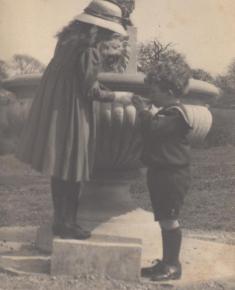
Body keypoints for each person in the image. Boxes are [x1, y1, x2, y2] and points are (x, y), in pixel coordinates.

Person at [17, 0, 133, 240]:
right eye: (109, 32)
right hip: (73, 112)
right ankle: (68, 224)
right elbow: (90, 91)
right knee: (72, 169)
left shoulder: (66, 43)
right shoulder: (90, 52)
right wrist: (118, 95)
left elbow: (74, 79)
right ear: (98, 29)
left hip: (56, 110)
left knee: (60, 170)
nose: (110, 36)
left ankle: (61, 221)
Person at [132, 60, 192, 281]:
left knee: (169, 219)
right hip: (162, 172)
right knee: (164, 217)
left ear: (168, 91)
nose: (151, 94)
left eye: (154, 91)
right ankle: (166, 262)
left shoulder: (176, 113)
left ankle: (173, 265)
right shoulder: (167, 110)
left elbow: (153, 130)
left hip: (172, 175)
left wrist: (142, 111)